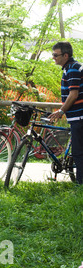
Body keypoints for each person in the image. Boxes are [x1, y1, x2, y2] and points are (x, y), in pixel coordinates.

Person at [48, 41, 83, 185]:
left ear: (66, 55)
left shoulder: (72, 69)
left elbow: (73, 94)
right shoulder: (70, 67)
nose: (53, 58)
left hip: (79, 116)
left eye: (56, 55)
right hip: (77, 116)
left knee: (78, 153)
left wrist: (61, 111)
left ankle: (80, 186)